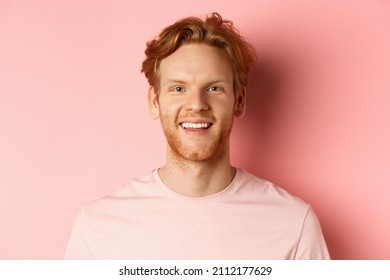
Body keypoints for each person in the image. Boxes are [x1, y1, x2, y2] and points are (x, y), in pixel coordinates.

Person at [64, 12, 330, 259]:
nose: (196, 104)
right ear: (154, 103)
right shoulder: (98, 225)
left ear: (239, 101)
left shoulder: (293, 223)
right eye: (178, 88)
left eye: (214, 88)